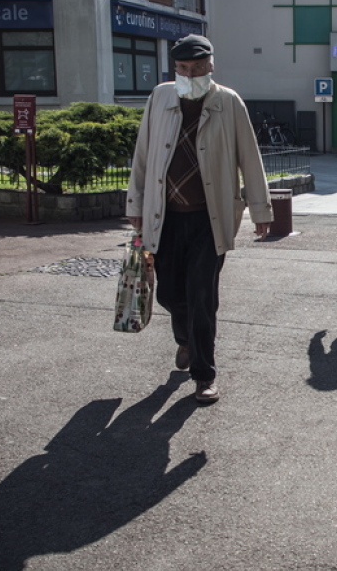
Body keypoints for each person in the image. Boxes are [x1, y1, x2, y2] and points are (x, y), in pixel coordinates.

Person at [126, 34, 272, 404]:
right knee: (171, 293)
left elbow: (250, 159)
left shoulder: (228, 102)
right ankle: (185, 340)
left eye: (197, 68)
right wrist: (136, 205)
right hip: (166, 217)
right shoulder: (160, 97)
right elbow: (143, 154)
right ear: (174, 68)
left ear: (211, 66)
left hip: (210, 218)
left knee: (201, 296)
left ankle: (204, 375)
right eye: (183, 69)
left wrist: (260, 210)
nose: (190, 75)